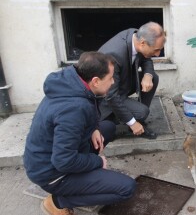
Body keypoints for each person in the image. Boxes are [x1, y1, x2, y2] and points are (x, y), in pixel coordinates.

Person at [23, 52, 136, 215]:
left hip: (50, 157)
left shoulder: (74, 84)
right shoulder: (73, 109)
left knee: (107, 128)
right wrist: (97, 161)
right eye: (110, 78)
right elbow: (63, 160)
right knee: (126, 188)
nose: (113, 82)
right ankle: (58, 201)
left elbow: (91, 106)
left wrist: (94, 128)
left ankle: (83, 177)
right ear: (96, 81)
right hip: (51, 173)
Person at [98, 21, 166, 139]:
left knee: (153, 77)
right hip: (106, 97)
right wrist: (132, 123)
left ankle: (136, 116)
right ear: (143, 43)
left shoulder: (136, 35)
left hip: (123, 82)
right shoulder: (113, 55)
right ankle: (119, 119)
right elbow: (111, 96)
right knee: (142, 112)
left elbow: (146, 57)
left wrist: (148, 75)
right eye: (156, 50)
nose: (158, 54)